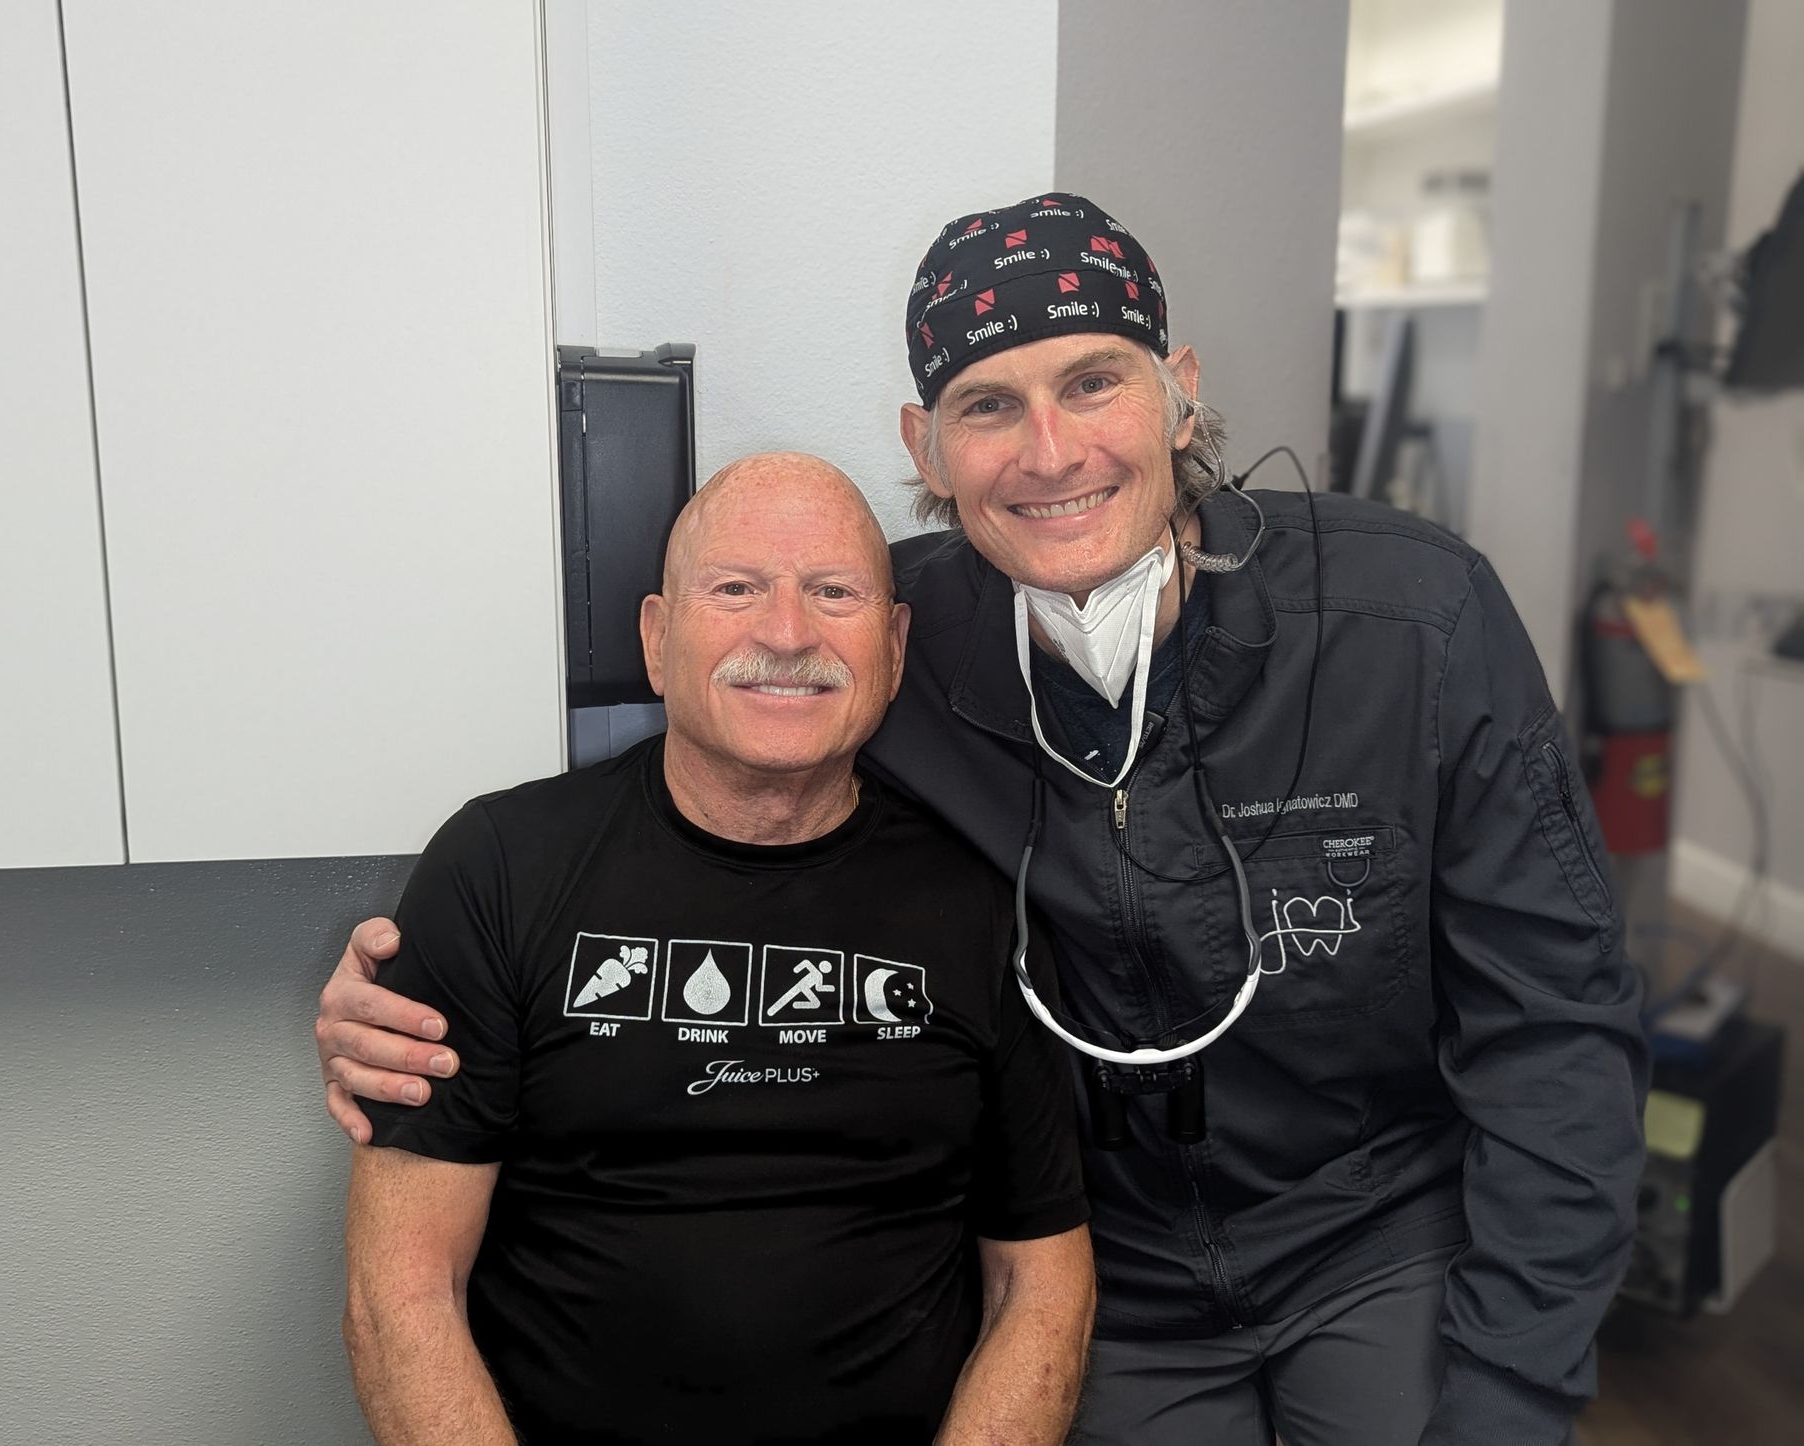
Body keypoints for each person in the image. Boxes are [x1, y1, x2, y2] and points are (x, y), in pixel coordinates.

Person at [320, 196, 1646, 1446]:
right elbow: (698, 809)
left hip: (1377, 1224)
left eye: (1094, 382)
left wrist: (1514, 1385)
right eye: (988, 404)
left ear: (1179, 390)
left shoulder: (1412, 624)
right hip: (1110, 1255)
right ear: (927, 448)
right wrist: (414, 974)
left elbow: (1558, 1026)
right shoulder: (872, 638)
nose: (1050, 451)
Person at [338, 451, 1094, 1446]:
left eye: (834, 593)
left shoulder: (982, 897)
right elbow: (399, 1291)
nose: (786, 634)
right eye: (736, 589)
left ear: (895, 645)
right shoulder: (499, 868)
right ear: (659, 640)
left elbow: (1041, 1285)